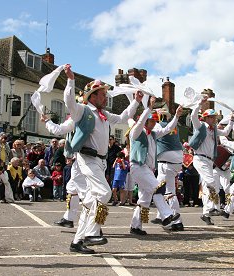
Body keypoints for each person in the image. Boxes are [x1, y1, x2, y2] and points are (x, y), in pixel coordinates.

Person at [63, 64, 142, 254]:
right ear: (92, 96)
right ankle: (91, 233)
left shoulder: (104, 114)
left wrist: (136, 101)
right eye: (102, 94)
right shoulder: (83, 110)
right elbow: (69, 102)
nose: (105, 98)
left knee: (91, 203)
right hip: (87, 158)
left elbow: (124, 117)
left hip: (100, 161)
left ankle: (77, 242)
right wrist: (71, 80)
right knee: (105, 192)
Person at [129, 96, 182, 235]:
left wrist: (176, 116)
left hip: (147, 169)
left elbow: (168, 128)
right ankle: (166, 215)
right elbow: (140, 122)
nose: (154, 123)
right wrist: (149, 108)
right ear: (145, 120)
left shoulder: (153, 134)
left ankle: (136, 226)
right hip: (138, 167)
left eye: (155, 121)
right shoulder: (136, 132)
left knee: (145, 199)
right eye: (152, 121)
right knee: (157, 188)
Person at [189, 95, 234, 225]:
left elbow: (225, 132)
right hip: (200, 159)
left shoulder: (214, 129)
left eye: (215, 117)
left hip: (209, 161)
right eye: (212, 117)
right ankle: (213, 208)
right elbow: (193, 117)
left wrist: (231, 120)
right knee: (211, 182)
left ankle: (205, 213)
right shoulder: (201, 125)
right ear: (206, 118)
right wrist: (199, 104)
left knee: (207, 185)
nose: (214, 119)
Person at [153, 107, 185, 231]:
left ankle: (174, 219)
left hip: (166, 162)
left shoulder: (158, 126)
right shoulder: (174, 127)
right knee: (168, 191)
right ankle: (162, 216)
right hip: (176, 160)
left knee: (162, 191)